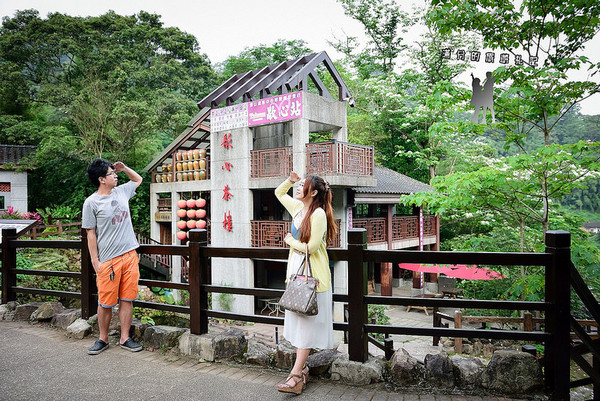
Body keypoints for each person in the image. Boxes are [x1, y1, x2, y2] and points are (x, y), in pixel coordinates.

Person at [274, 171, 337, 394]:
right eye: (298, 185)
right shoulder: (299, 209)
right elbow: (278, 192)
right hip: (297, 276)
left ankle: (295, 375)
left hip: (313, 280)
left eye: (303, 186)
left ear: (314, 192)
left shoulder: (318, 214)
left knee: (306, 329)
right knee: (301, 327)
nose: (298, 189)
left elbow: (312, 247)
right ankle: (301, 373)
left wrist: (290, 240)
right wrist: (290, 180)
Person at [82, 158, 143, 355]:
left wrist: (124, 168)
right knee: (106, 302)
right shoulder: (91, 203)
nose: (115, 175)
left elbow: (138, 180)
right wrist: (95, 262)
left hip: (129, 255)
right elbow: (90, 233)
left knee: (127, 299)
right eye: (111, 173)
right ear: (101, 179)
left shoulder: (121, 191)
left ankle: (125, 338)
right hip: (108, 260)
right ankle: (103, 338)